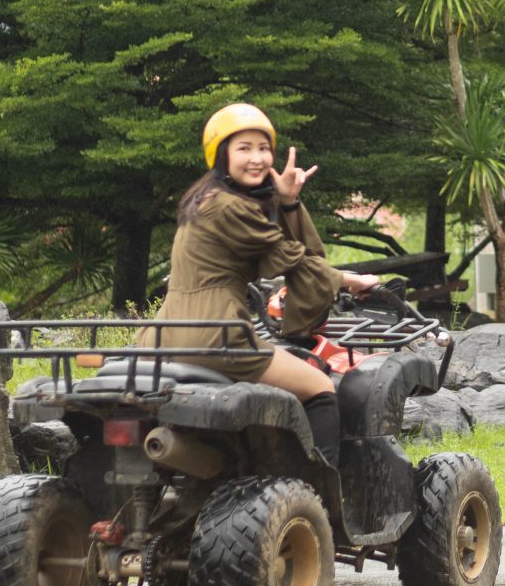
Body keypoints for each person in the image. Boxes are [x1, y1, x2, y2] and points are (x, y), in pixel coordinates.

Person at [147, 102, 386, 471]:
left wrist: (287, 200)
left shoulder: (201, 200)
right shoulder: (229, 207)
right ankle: (320, 498)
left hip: (165, 333)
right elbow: (294, 258)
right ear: (221, 154)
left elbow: (273, 256)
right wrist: (352, 281)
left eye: (263, 148)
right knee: (320, 387)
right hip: (217, 335)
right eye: (244, 148)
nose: (256, 158)